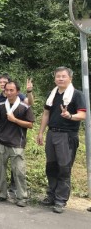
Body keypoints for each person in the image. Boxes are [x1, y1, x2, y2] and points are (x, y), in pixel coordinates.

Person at [36, 66, 86, 214]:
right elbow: (46, 114)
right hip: (52, 133)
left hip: (67, 135)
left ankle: (60, 200)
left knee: (64, 168)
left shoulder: (77, 95)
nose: (60, 79)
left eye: (63, 76)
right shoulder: (51, 94)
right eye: (58, 76)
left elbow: (82, 115)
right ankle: (51, 195)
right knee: (50, 166)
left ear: (70, 78)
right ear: (54, 78)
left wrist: (70, 116)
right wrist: (41, 132)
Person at [0, 81, 35, 207]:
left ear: (17, 92)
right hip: (0, 142)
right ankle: (1, 194)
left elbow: (30, 124)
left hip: (17, 144)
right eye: (6, 90)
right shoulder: (1, 106)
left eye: (11, 90)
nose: (8, 92)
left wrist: (15, 120)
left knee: (19, 172)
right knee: (0, 170)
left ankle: (22, 197)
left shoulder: (24, 107)